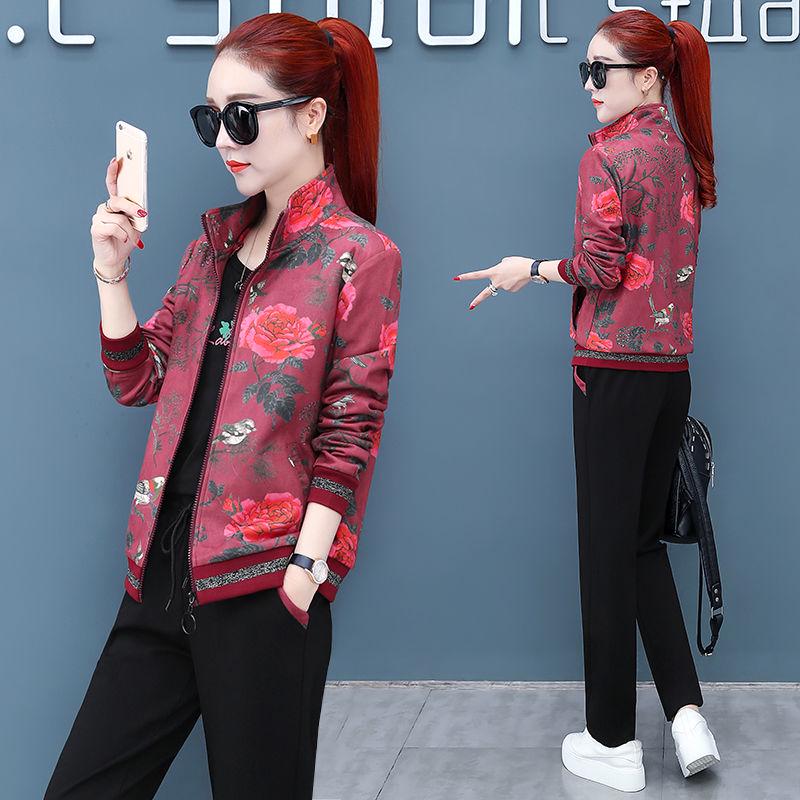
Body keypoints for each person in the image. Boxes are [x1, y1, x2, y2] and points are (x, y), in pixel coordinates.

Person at [44, 12, 402, 799]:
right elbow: (137, 379)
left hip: (264, 590)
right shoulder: (211, 247)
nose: (222, 140)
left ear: (312, 115)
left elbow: (352, 430)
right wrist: (111, 272)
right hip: (159, 575)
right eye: (211, 119)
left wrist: (303, 577)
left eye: (242, 116)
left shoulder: (360, 257)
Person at [453, 9, 720, 793]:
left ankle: (611, 742)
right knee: (639, 545)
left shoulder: (605, 157)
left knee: (605, 554)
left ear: (649, 78)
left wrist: (529, 269)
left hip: (610, 373)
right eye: (586, 70)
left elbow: (601, 268)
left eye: (602, 71)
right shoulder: (682, 153)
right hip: (670, 374)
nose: (589, 85)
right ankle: (686, 714)